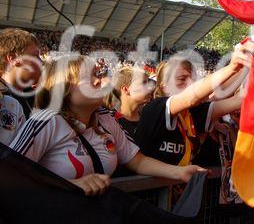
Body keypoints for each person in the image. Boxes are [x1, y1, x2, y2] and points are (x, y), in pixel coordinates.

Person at [10, 56, 205, 196]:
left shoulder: (105, 118)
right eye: (88, 76)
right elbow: (9, 176)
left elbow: (138, 161)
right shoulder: (45, 122)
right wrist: (71, 185)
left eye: (98, 73)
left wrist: (179, 172)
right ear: (65, 87)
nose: (99, 80)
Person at [135, 42, 254, 166]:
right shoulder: (155, 108)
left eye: (192, 78)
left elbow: (236, 100)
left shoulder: (192, 112)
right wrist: (232, 67)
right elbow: (190, 98)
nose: (190, 83)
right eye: (182, 79)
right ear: (164, 86)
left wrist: (248, 66)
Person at [0, 28, 42, 119]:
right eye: (35, 55)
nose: (41, 61)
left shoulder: (33, 94)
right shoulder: (2, 99)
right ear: (13, 59)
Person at [106, 66, 154, 138]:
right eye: (144, 83)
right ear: (126, 89)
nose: (150, 87)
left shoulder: (149, 119)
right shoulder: (110, 121)